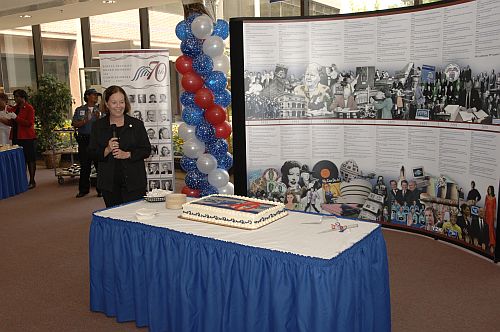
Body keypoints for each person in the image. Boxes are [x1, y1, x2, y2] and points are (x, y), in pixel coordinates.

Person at [88, 85, 151, 208]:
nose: (118, 106)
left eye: (121, 102)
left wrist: (127, 154)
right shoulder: (98, 126)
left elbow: (146, 150)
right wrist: (106, 150)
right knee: (115, 219)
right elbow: (91, 152)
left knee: (134, 218)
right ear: (106, 104)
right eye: (114, 102)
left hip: (134, 182)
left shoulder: (136, 124)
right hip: (109, 184)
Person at [0, 89, 37, 189]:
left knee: (30, 159)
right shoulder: (15, 108)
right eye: (15, 96)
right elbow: (12, 123)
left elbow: (29, 123)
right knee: (21, 160)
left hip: (27, 137)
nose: (15, 98)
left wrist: (16, 118)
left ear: (23, 97)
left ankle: (32, 180)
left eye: (17, 96)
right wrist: (8, 119)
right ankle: (23, 180)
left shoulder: (29, 108)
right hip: (16, 136)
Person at [72, 88, 102, 198]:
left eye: (96, 95)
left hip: (97, 140)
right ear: (87, 96)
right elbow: (74, 123)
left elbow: (106, 125)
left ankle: (101, 189)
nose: (96, 97)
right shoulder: (80, 109)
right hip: (84, 140)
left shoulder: (100, 110)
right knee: (85, 166)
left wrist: (99, 119)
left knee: (100, 165)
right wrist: (84, 121)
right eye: (94, 95)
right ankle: (83, 190)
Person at [484, 186, 496, 252]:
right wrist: (484, 213)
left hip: (491, 215)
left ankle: (491, 242)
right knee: (486, 227)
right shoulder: (486, 196)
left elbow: (494, 208)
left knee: (490, 228)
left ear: (492, 190)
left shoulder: (494, 198)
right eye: (488, 189)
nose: (489, 191)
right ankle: (487, 240)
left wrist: (494, 216)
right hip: (487, 214)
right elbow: (485, 205)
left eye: (490, 190)